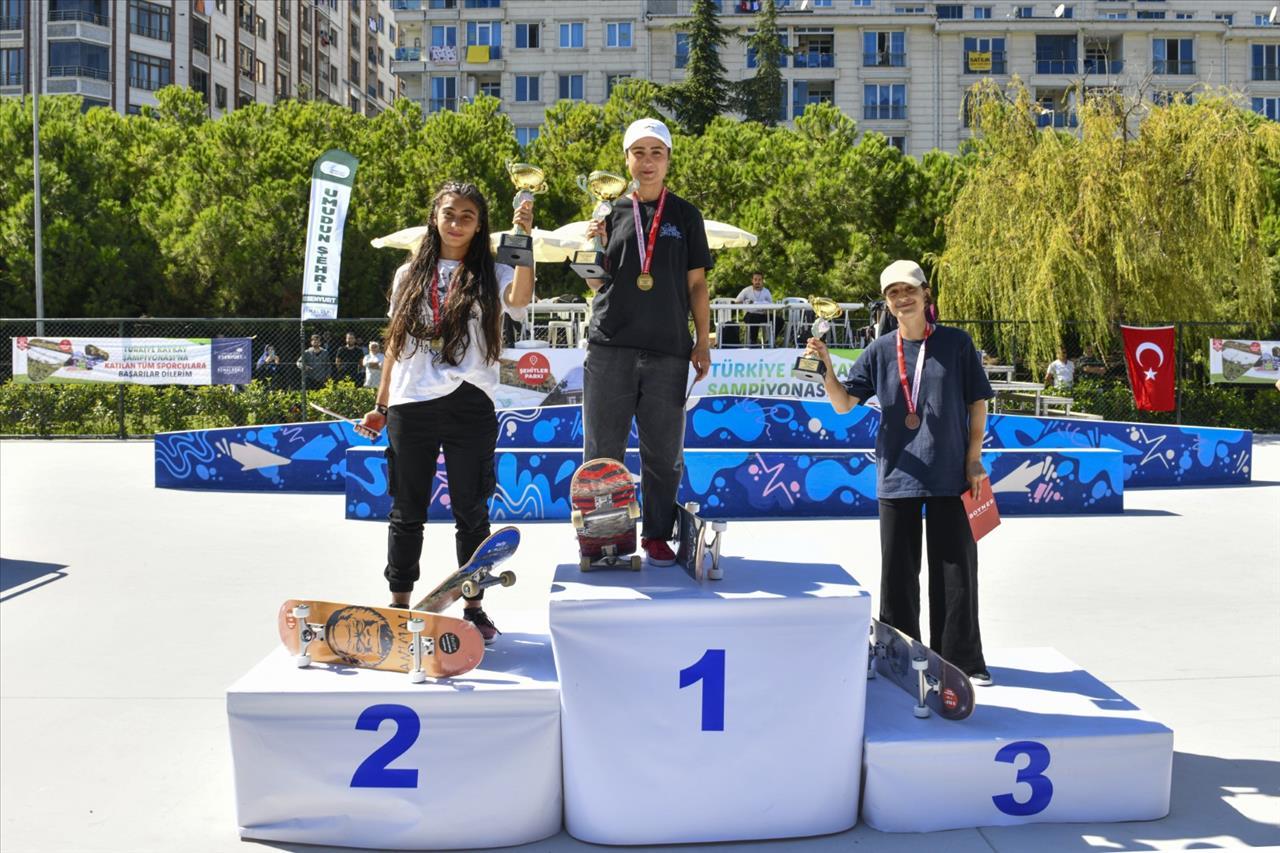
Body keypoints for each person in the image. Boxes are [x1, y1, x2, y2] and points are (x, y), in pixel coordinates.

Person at [354, 181, 534, 643]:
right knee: (406, 509)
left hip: (470, 399)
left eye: (467, 216)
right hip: (411, 401)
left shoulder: (493, 272)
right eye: (449, 213)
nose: (456, 223)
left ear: (479, 225)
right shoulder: (408, 274)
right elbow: (394, 345)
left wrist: (524, 240)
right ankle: (399, 604)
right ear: (435, 217)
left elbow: (519, 301)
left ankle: (473, 606)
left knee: (472, 511)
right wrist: (380, 405)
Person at [803, 259, 995, 686]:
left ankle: (962, 662)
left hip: (950, 473)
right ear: (887, 303)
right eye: (893, 293)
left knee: (956, 574)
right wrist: (826, 367)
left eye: (909, 289)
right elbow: (843, 404)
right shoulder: (879, 350)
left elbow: (977, 401)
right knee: (898, 576)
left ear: (926, 293)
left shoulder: (956, 343)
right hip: (897, 475)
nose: (902, 298)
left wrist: (973, 457)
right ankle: (899, 658)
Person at [582, 117, 713, 566]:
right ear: (626, 160)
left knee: (664, 454)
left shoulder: (686, 216)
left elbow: (697, 284)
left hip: (668, 349)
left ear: (669, 159)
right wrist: (594, 247)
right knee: (603, 451)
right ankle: (603, 538)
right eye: (638, 152)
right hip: (610, 346)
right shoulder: (609, 211)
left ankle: (657, 534)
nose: (647, 161)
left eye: (656, 152)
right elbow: (595, 284)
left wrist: (702, 341)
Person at [735, 271, 774, 346]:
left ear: (762, 281)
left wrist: (766, 308)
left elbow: (771, 306)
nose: (757, 282)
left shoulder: (766, 292)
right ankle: (753, 342)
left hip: (763, 315)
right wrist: (746, 302)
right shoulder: (746, 290)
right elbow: (736, 302)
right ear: (752, 280)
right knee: (754, 317)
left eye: (759, 280)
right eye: (755, 279)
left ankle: (770, 341)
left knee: (779, 321)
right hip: (750, 315)